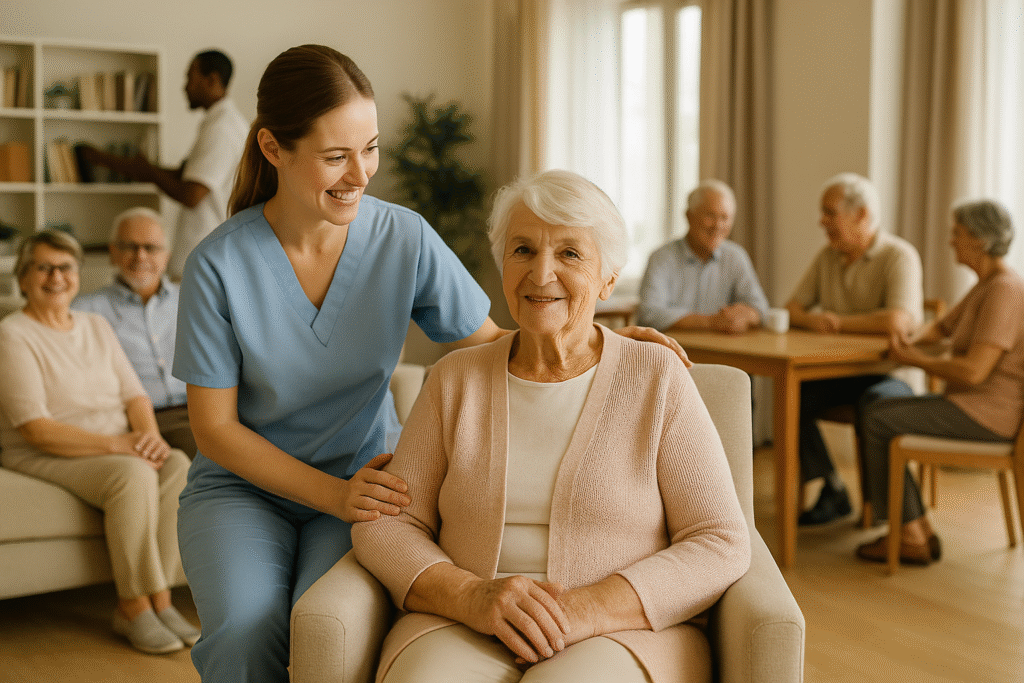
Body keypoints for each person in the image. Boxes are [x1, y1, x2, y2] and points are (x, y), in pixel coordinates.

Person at [171, 45, 686, 683]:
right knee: (246, 632)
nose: (360, 174)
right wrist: (338, 495)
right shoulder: (218, 264)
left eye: (370, 148)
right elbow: (215, 429)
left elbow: (494, 343)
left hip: (367, 482)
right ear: (274, 148)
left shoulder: (402, 237)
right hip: (246, 491)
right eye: (336, 156)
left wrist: (603, 346)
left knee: (325, 622)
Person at [351, 170, 750, 683]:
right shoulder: (454, 378)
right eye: (522, 250)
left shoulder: (657, 376)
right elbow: (389, 523)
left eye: (569, 254)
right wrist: (471, 596)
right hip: (462, 623)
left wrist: (587, 608)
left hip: (621, 631)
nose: (541, 275)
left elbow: (719, 538)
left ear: (608, 278)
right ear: (501, 266)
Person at [0, 230, 198, 654]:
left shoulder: (95, 325)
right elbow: (34, 428)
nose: (56, 277)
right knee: (132, 474)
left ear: (78, 275)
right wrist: (123, 446)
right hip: (43, 451)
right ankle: (132, 608)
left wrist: (147, 437)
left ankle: (161, 601)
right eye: (44, 267)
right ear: (24, 277)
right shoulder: (13, 334)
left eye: (66, 267)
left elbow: (135, 395)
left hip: (115, 442)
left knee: (178, 463)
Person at [855, 199, 1024, 565]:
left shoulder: (1005, 290)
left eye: (958, 234)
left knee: (876, 416)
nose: (951, 241)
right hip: (970, 406)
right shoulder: (986, 285)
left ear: (979, 240)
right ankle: (914, 528)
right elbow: (942, 327)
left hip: (986, 415)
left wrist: (916, 359)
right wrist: (911, 341)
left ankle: (910, 533)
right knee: (875, 409)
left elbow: (974, 371)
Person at [785, 172, 923, 525]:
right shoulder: (828, 257)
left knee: (874, 405)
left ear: (860, 214)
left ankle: (886, 513)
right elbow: (792, 308)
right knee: (791, 397)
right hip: (837, 372)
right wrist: (814, 320)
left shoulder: (898, 255)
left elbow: (898, 322)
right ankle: (832, 487)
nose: (822, 222)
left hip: (888, 373)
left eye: (830, 213)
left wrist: (837, 322)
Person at [80, 50, 249, 279]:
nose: (185, 87)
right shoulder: (218, 123)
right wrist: (109, 161)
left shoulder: (223, 129)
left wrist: (148, 173)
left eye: (190, 77)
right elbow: (182, 175)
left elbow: (191, 194)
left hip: (207, 259)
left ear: (212, 80)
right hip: (205, 256)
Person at [72, 208, 195, 457]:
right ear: (112, 252)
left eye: (151, 247)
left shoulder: (196, 299)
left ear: (166, 255)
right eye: (129, 246)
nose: (140, 256)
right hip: (131, 422)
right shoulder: (84, 311)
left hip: (200, 411)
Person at [637, 179, 769, 333]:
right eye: (710, 215)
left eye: (725, 217)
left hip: (721, 353)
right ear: (689, 216)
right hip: (668, 352)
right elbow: (649, 314)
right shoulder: (661, 258)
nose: (718, 226)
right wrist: (711, 322)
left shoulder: (736, 256)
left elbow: (762, 309)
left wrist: (747, 315)